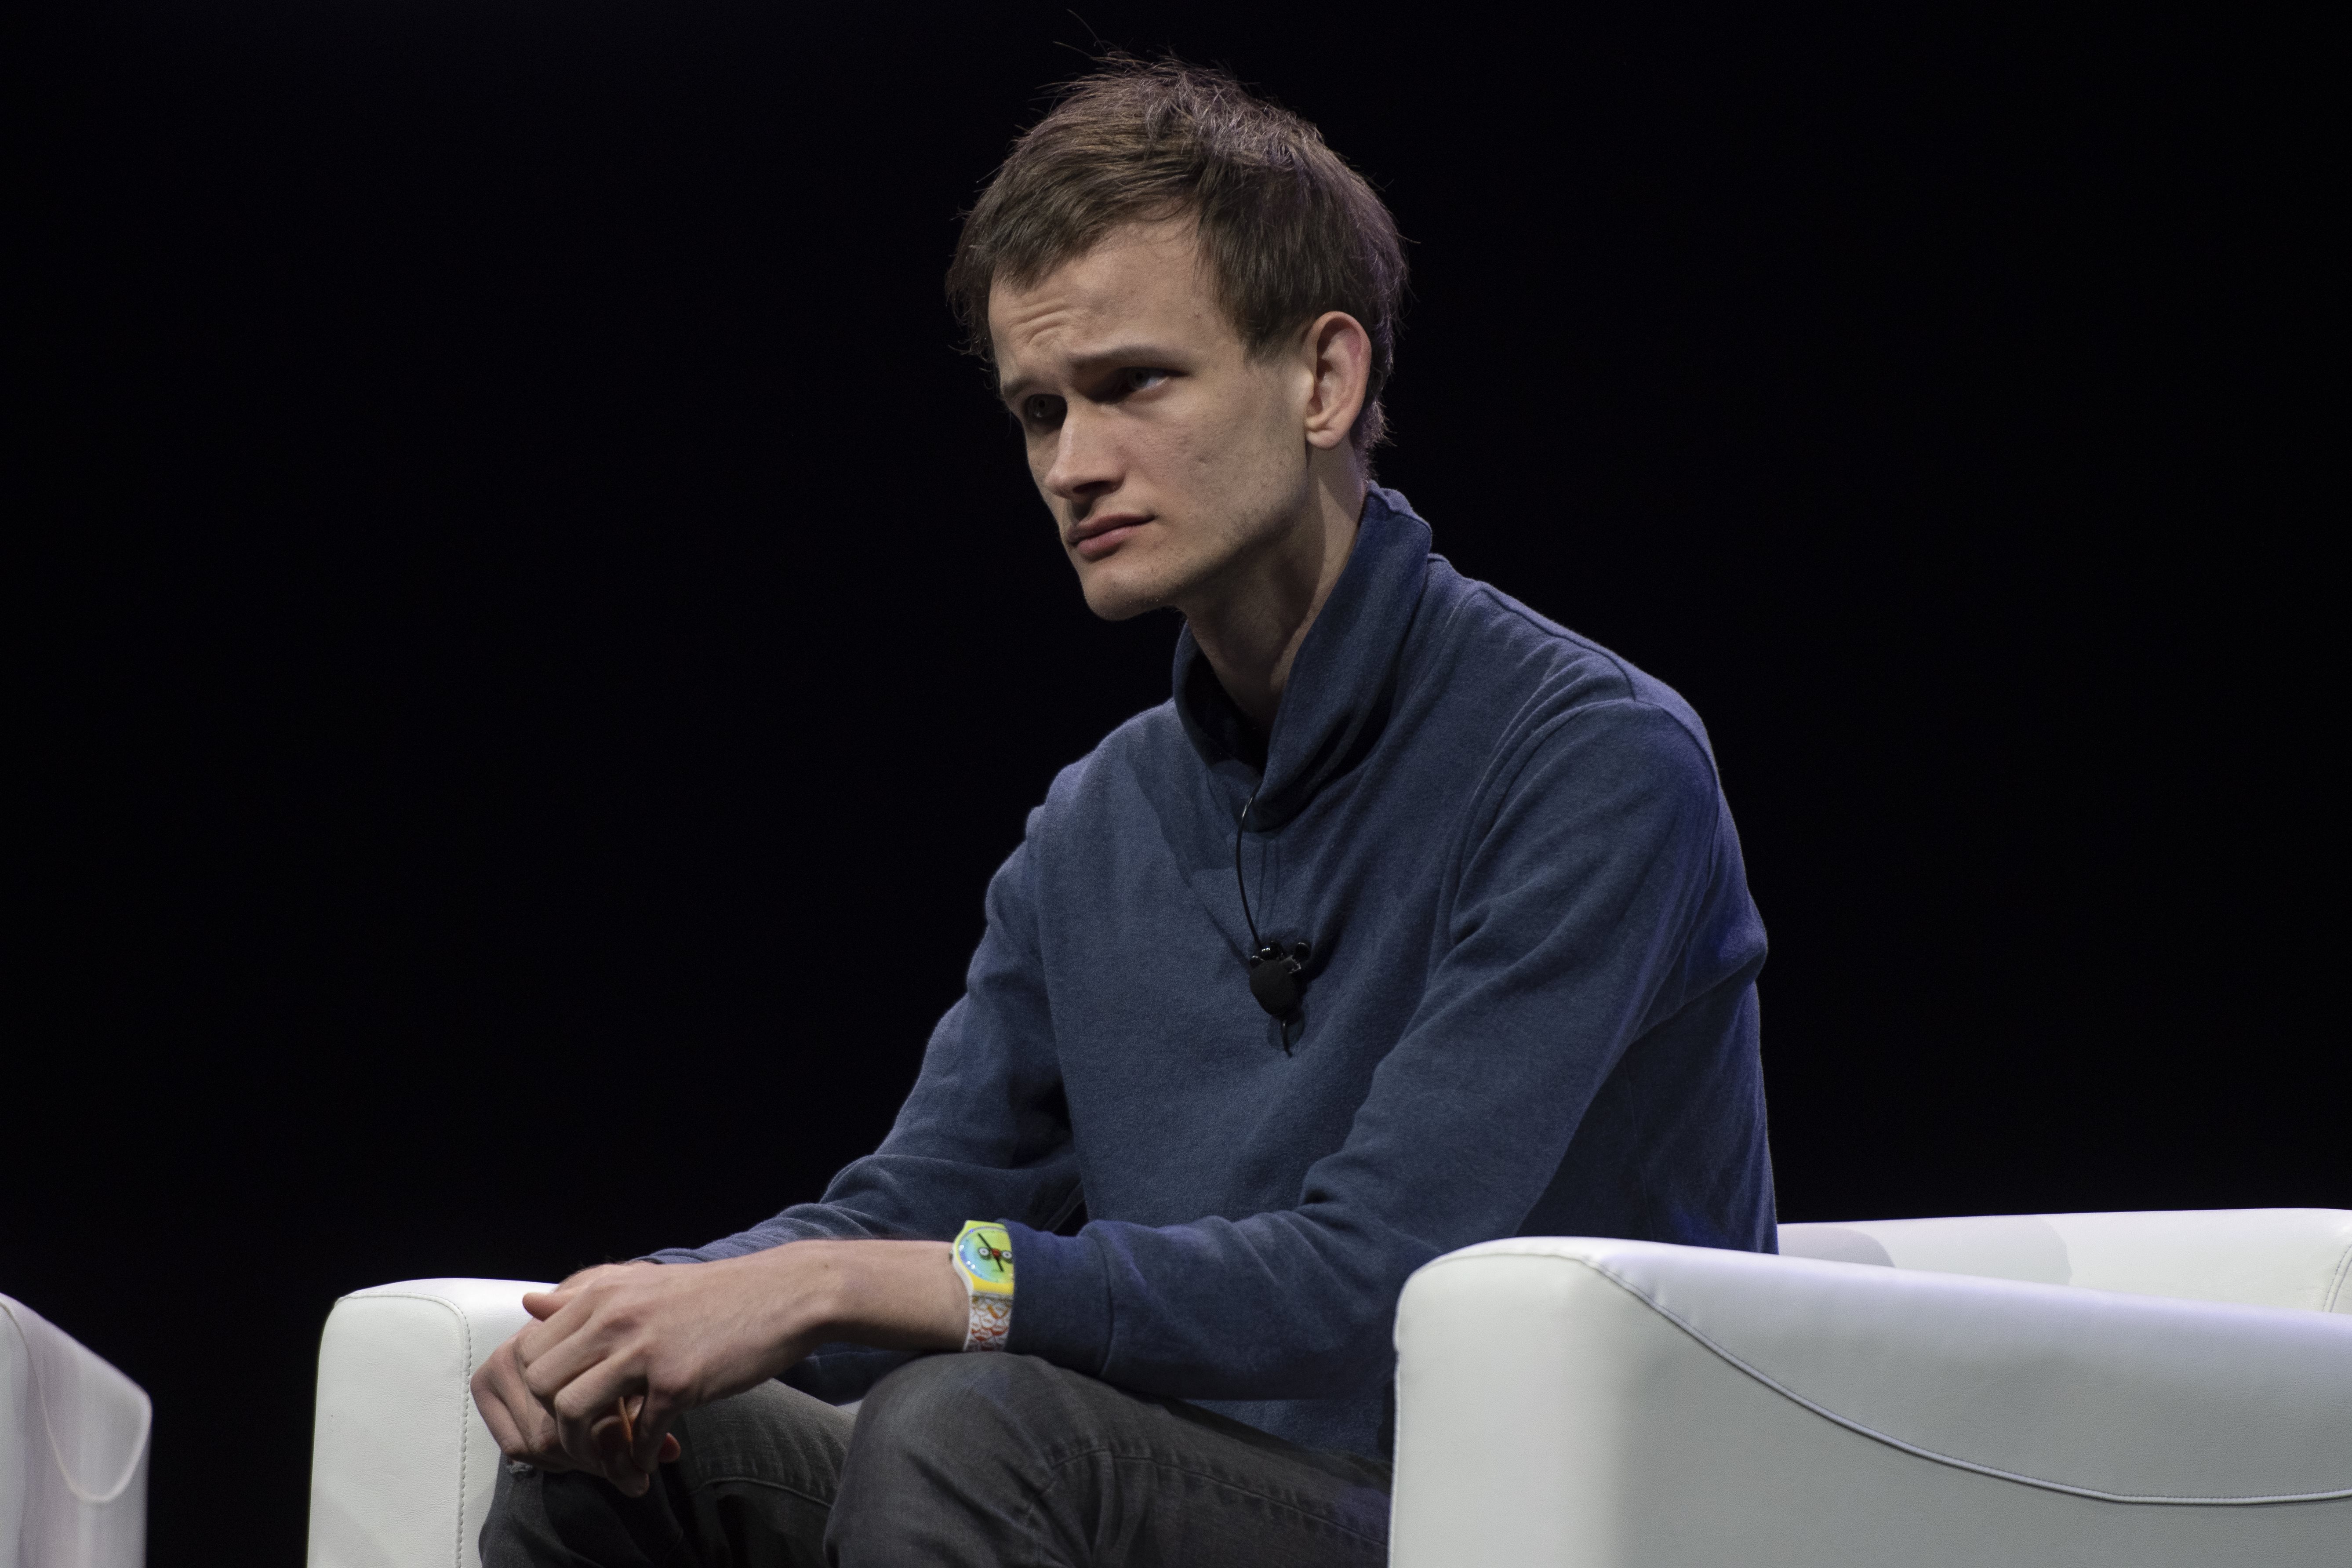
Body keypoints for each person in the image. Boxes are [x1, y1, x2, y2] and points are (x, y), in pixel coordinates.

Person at [476, 56, 1773, 1568]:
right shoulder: (1094, 826)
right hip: (1183, 1497)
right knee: (624, 1458)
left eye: (1133, 385)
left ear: (1324, 380)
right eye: (1039, 412)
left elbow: (1376, 1276)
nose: (1073, 467)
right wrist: (643, 1311)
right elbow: (921, 1196)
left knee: (969, 1425)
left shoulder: (1592, 762)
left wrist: (858, 1287)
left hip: (1518, 1518)